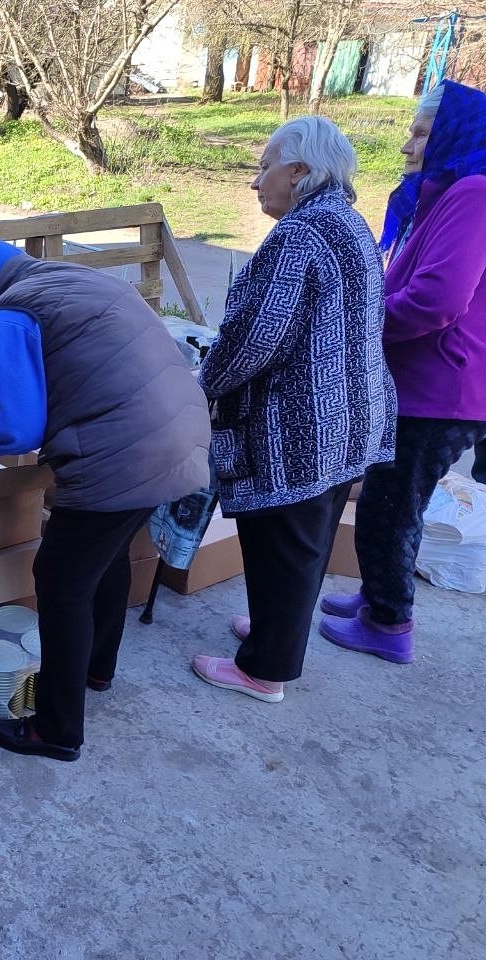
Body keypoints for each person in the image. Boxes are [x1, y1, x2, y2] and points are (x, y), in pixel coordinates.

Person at [0, 234, 211, 762]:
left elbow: (18, 429)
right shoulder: (73, 279)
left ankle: (55, 729)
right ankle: (97, 668)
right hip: (181, 438)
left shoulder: (8, 314)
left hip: (121, 455)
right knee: (106, 556)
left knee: (60, 580)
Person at [193, 116, 396, 701]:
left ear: (300, 171)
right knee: (307, 543)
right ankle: (275, 631)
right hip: (350, 419)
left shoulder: (300, 235)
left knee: (283, 546)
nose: (256, 182)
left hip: (301, 428)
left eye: (264, 168)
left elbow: (256, 337)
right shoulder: (347, 221)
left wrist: (205, 383)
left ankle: (264, 670)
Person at [319, 81, 486, 661]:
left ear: (454, 136)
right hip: (427, 381)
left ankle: (389, 625)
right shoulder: (448, 194)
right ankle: (375, 597)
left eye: (421, 133)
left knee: (391, 507)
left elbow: (437, 299)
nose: (407, 145)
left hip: (440, 387)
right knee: (389, 499)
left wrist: (359, 322)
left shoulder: (474, 193)